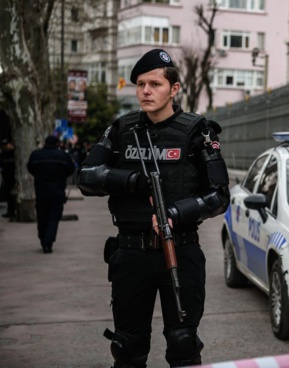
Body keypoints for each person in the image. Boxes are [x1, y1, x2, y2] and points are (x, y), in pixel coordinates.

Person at [77, 48, 230, 368]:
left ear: (174, 89)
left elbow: (218, 196)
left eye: (155, 84)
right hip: (131, 253)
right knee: (127, 347)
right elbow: (87, 177)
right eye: (141, 84)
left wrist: (175, 214)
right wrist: (132, 181)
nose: (146, 91)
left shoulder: (197, 131)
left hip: (181, 250)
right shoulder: (122, 129)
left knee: (183, 343)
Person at [27, 135, 76, 253]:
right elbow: (71, 169)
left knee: (42, 216)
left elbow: (30, 168)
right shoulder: (63, 156)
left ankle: (43, 238)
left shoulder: (36, 155)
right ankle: (48, 242)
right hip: (57, 191)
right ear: (57, 144)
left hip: (41, 191)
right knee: (54, 217)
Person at [1, 138, 17, 218]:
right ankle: (10, 211)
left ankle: (13, 210)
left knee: (13, 195)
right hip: (6, 177)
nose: (5, 147)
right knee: (9, 195)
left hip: (13, 177)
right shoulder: (3, 154)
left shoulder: (14, 153)